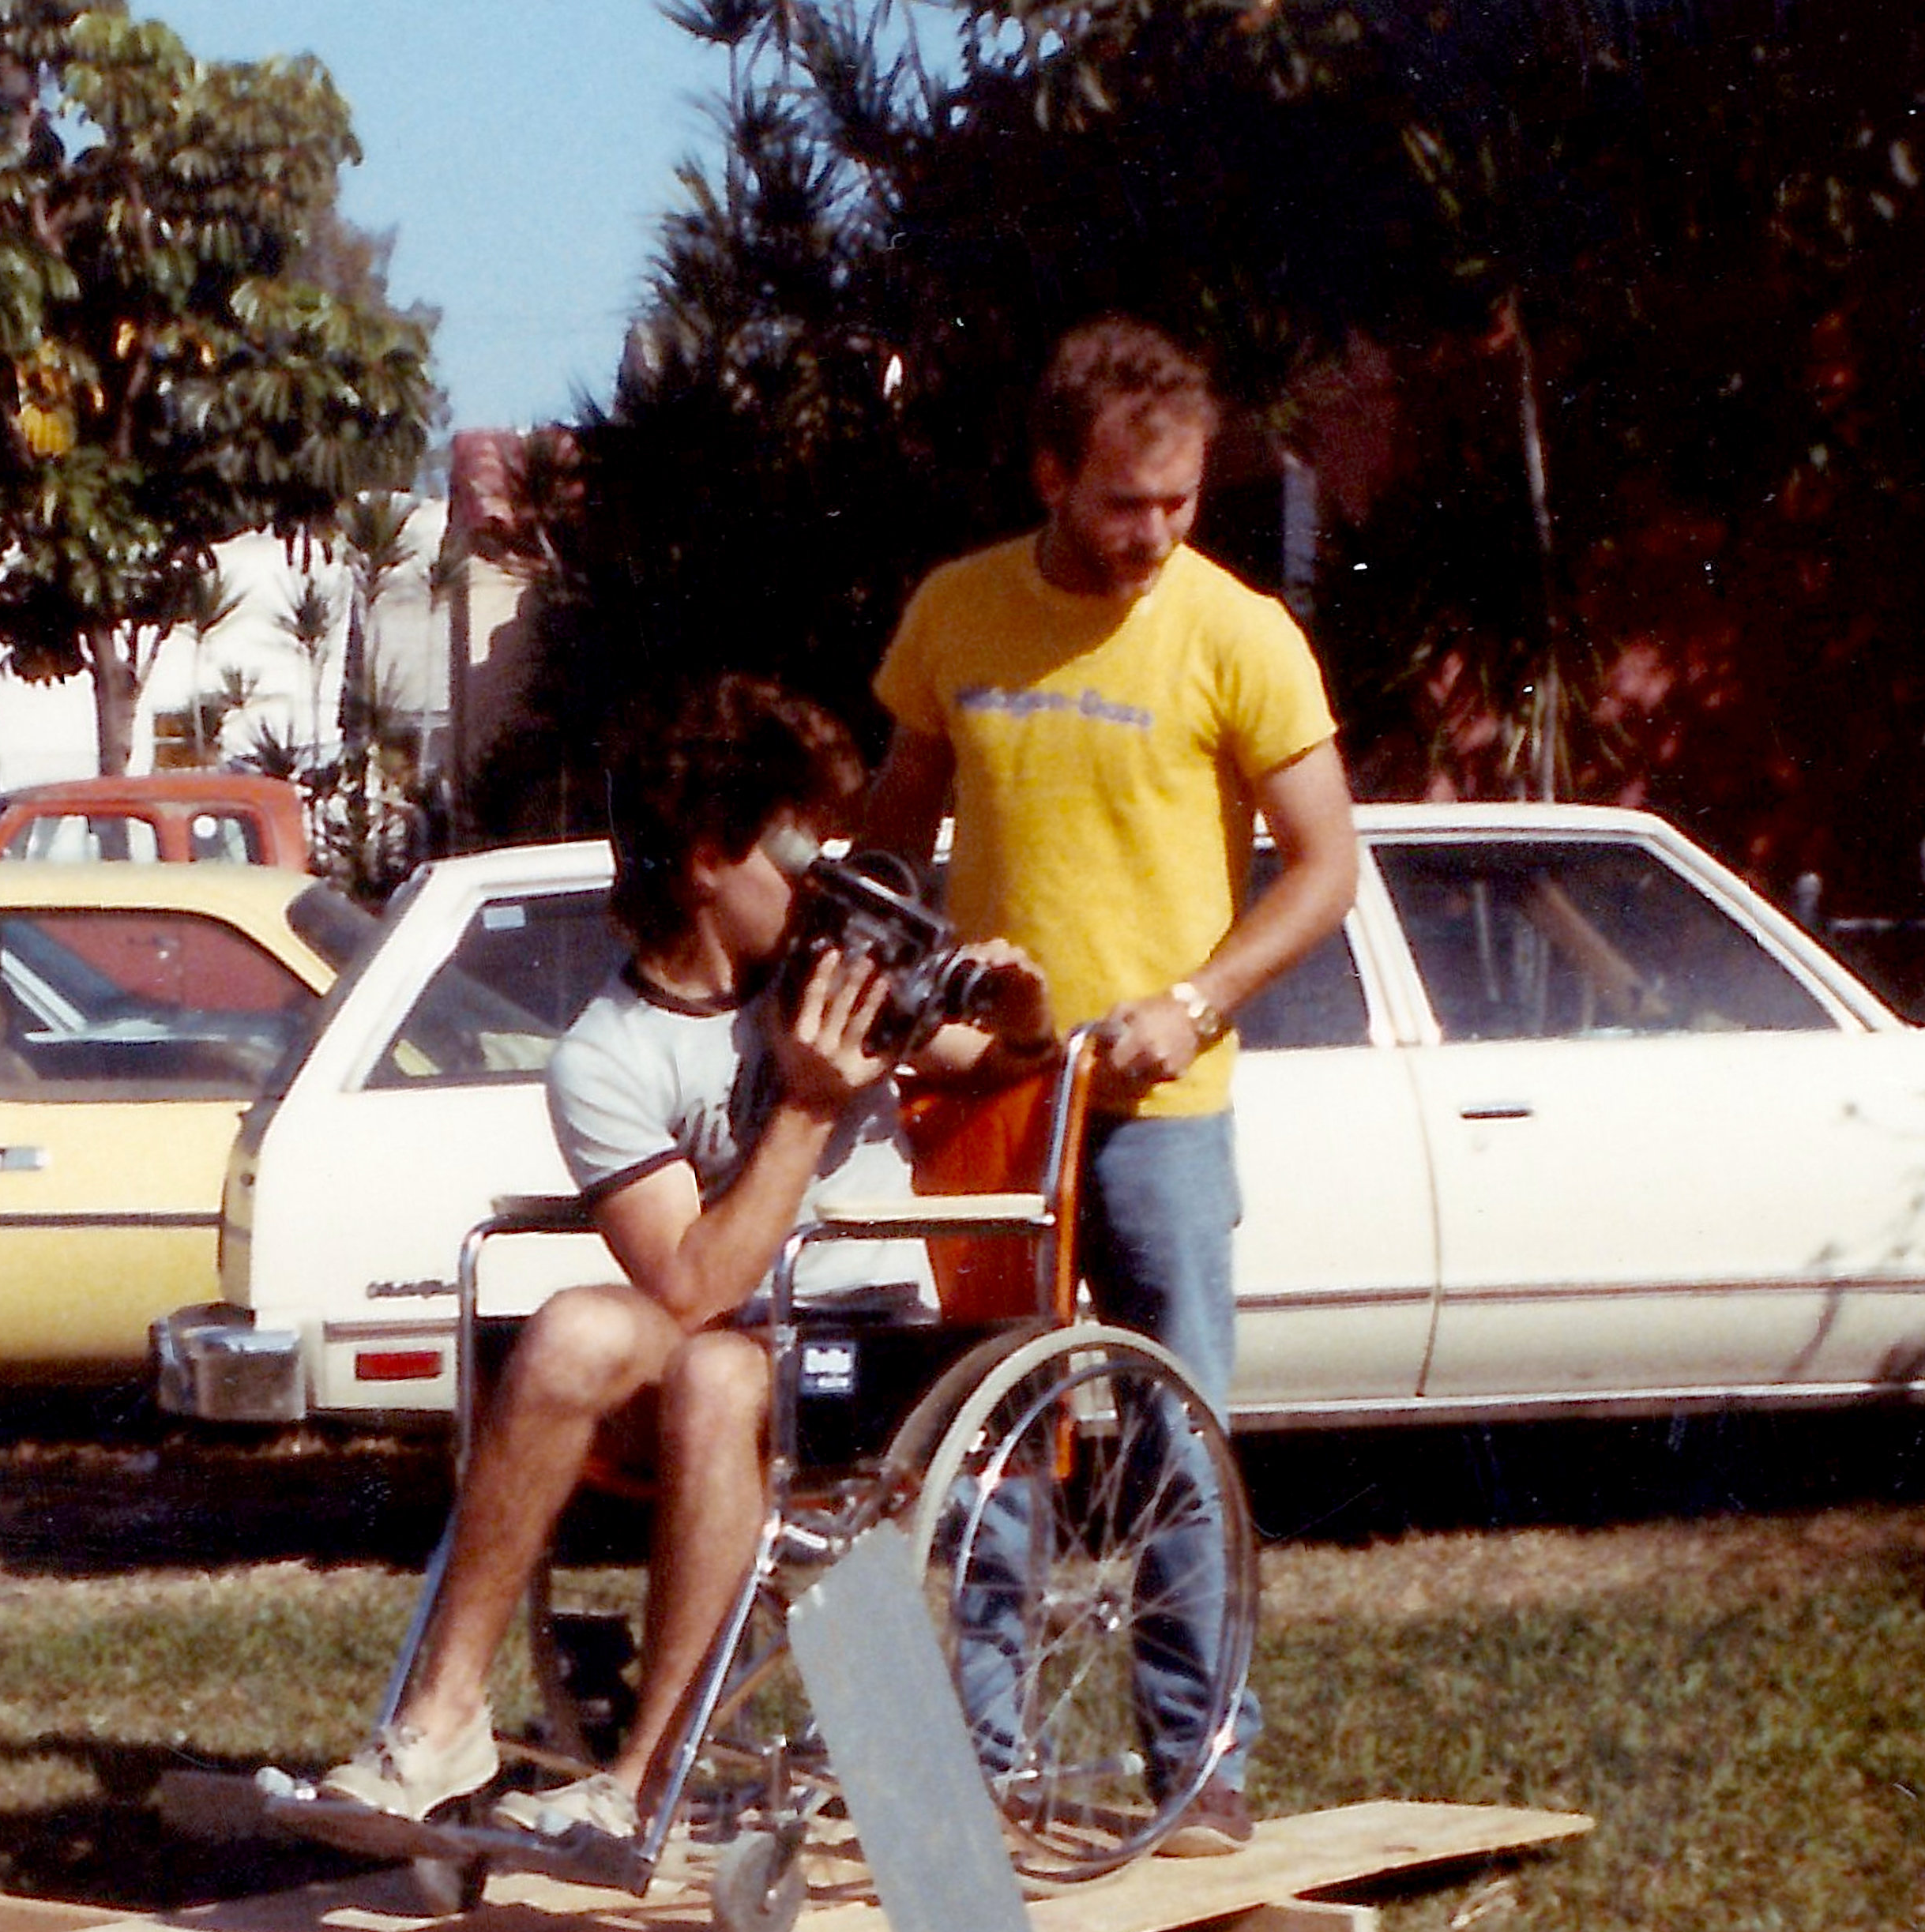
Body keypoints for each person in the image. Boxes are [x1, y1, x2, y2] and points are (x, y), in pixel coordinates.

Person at [316, 677, 1040, 1854]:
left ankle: (647, 1776)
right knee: (574, 1329)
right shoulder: (604, 1057)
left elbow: (1002, 1053)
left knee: (711, 1372)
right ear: (708, 856)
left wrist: (1023, 1008)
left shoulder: (837, 978)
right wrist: (805, 1109)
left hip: (867, 1360)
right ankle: (438, 1721)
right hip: (731, 1344)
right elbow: (690, 1285)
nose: (827, 882)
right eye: (802, 853)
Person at [858, 318, 1355, 1854]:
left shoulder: (1236, 633)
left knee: (1176, 1440)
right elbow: (887, 834)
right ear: (1050, 475)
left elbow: (1325, 865)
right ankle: (986, 1768)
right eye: (1125, 504)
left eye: (1181, 503)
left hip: (1161, 1116)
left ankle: (1197, 1762)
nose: (1153, 534)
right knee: (994, 1444)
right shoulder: (955, 612)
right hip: (1004, 1106)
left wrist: (1195, 999)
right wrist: (874, 976)